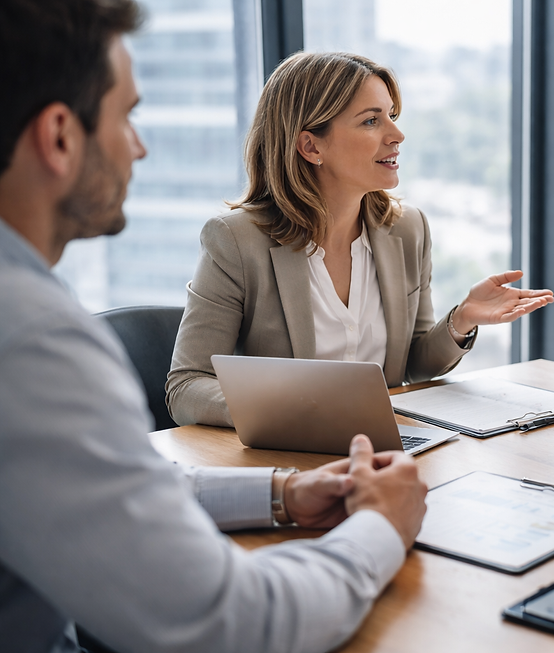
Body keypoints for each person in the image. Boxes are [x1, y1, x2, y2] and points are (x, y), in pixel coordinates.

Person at [0, 1, 429, 651]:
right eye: (128, 116)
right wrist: (377, 525)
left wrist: (283, 492)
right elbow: (235, 622)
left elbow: (120, 486)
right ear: (60, 135)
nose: (139, 146)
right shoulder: (32, 339)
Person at [166, 51, 553, 428]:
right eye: (371, 121)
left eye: (392, 116)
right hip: (290, 459)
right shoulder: (235, 241)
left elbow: (412, 365)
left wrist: (462, 320)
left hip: (385, 447)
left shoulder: (408, 228)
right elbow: (186, 386)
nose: (397, 135)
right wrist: (287, 410)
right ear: (311, 146)